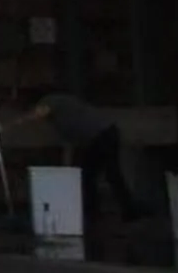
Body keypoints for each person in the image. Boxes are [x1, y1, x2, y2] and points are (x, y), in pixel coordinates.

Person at [27, 89, 144, 224]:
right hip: (100, 136)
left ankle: (103, 212)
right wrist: (66, 170)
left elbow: (44, 110)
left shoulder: (52, 100)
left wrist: (24, 119)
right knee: (102, 174)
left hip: (102, 134)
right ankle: (120, 210)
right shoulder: (58, 121)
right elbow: (69, 143)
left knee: (102, 174)